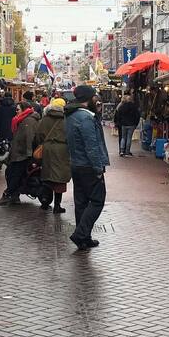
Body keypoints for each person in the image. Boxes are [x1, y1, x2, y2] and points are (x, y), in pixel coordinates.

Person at [64, 85, 109, 251]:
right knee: (97, 200)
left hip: (76, 164)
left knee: (81, 202)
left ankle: (84, 238)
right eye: (94, 96)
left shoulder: (71, 115)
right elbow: (92, 146)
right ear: (88, 99)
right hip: (88, 166)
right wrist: (98, 168)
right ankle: (81, 234)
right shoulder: (86, 118)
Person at [0, 100, 40, 205]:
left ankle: (9, 194)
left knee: (13, 174)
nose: (16, 111)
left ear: (24, 110)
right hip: (19, 153)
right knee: (12, 173)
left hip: (22, 154)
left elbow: (29, 138)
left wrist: (29, 155)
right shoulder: (23, 119)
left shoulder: (28, 121)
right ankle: (14, 195)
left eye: (18, 109)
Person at [35, 98, 71, 214]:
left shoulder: (45, 119)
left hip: (47, 149)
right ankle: (57, 205)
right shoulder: (67, 119)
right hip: (62, 150)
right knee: (60, 178)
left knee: (48, 175)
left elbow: (39, 134)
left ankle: (45, 202)